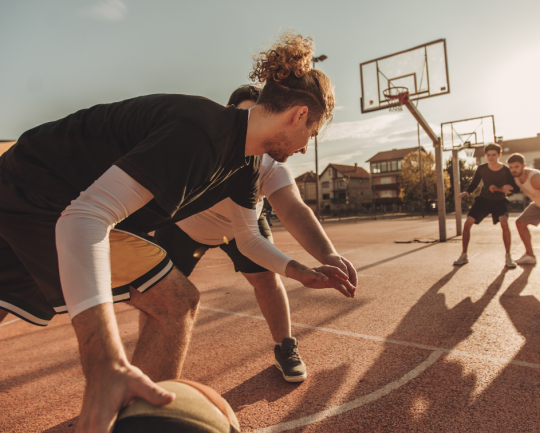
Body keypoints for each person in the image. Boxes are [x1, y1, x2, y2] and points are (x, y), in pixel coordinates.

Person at [0, 32, 351, 433]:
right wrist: (105, 365)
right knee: (176, 303)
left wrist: (300, 271)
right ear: (300, 115)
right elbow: (83, 219)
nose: (307, 147)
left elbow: (249, 239)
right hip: (39, 198)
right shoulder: (199, 134)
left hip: (28, 192)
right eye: (313, 133)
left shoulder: (246, 164)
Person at [154, 85, 357, 383]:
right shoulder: (206, 145)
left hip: (241, 227)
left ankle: (286, 347)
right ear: (230, 117)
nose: (252, 124)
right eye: (245, 115)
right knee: (161, 294)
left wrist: (327, 254)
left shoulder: (268, 163)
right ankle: (152, 368)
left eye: (257, 115)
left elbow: (292, 210)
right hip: (183, 225)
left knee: (266, 279)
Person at [454, 143, 519, 268]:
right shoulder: (482, 168)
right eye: (488, 155)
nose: (491, 157)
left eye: (494, 155)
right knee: (467, 224)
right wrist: (467, 192)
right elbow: (474, 183)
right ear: (485, 155)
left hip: (499, 201)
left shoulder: (506, 170)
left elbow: (515, 189)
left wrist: (503, 188)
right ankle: (464, 255)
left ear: (499, 155)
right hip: (483, 200)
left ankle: (508, 256)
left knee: (504, 223)